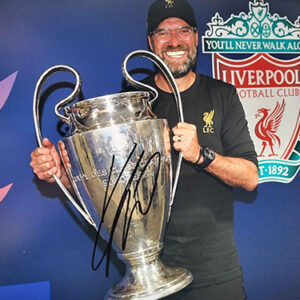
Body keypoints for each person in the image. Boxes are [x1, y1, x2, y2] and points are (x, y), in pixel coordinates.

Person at [30, 0, 259, 299]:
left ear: (196, 37)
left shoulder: (222, 94)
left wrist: (201, 155)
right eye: (164, 32)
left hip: (216, 274)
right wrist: (65, 175)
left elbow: (250, 177)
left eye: (183, 30)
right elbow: (109, 187)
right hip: (147, 280)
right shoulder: (131, 103)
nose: (175, 41)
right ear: (150, 42)